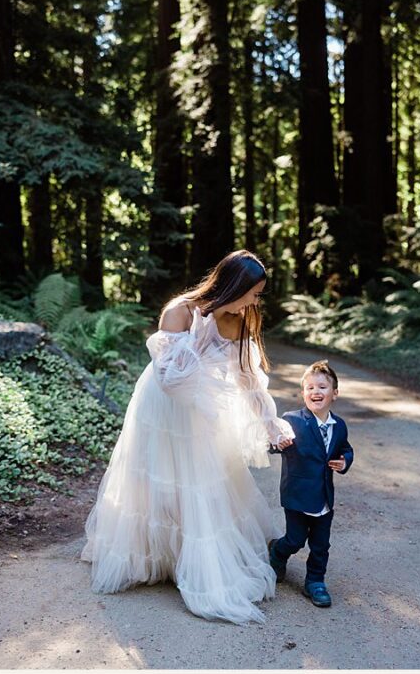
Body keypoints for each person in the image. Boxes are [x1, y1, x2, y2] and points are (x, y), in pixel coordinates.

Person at [81, 250, 295, 624]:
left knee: (202, 484)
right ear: (235, 286)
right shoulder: (179, 312)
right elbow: (171, 379)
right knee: (157, 476)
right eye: (253, 293)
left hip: (203, 410)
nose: (255, 301)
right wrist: (198, 336)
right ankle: (157, 555)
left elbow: (247, 376)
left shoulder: (243, 318)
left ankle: (189, 555)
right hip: (164, 406)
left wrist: (269, 421)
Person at [268, 360, 354, 608]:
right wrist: (278, 443)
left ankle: (315, 581)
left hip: (324, 497)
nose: (316, 392)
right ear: (304, 393)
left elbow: (346, 449)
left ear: (334, 394)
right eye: (310, 388)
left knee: (320, 544)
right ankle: (278, 552)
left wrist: (344, 460)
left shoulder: (339, 426)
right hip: (297, 494)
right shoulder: (292, 420)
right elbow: (272, 443)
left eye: (322, 387)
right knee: (295, 539)